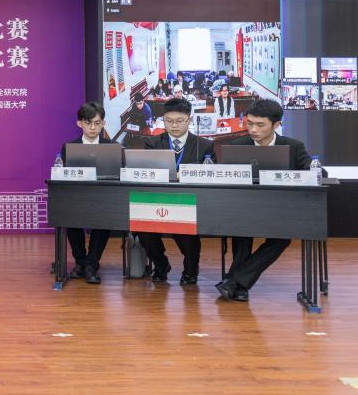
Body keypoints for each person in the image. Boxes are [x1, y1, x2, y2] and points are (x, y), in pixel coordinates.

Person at [215, 99, 322, 302]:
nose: (253, 130)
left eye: (260, 125)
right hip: (244, 207)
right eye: (249, 123)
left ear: (276, 124)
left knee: (282, 238)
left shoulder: (293, 146)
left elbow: (318, 173)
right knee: (241, 231)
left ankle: (234, 281)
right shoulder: (238, 145)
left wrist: (307, 172)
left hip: (279, 209)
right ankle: (239, 285)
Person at [137, 97, 214, 285]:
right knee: (143, 229)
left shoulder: (204, 145)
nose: (174, 125)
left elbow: (212, 174)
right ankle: (161, 265)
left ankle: (190, 270)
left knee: (186, 233)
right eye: (169, 121)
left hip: (190, 201)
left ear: (189, 119)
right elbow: (145, 172)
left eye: (180, 121)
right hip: (158, 198)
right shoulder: (152, 143)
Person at [60, 102, 114, 284]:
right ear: (79, 123)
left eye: (97, 123)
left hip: (103, 198)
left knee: (104, 218)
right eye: (88, 123)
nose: (92, 128)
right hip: (78, 197)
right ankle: (80, 262)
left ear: (103, 123)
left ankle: (91, 265)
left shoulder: (112, 147)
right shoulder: (69, 147)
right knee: (69, 217)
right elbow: (66, 174)